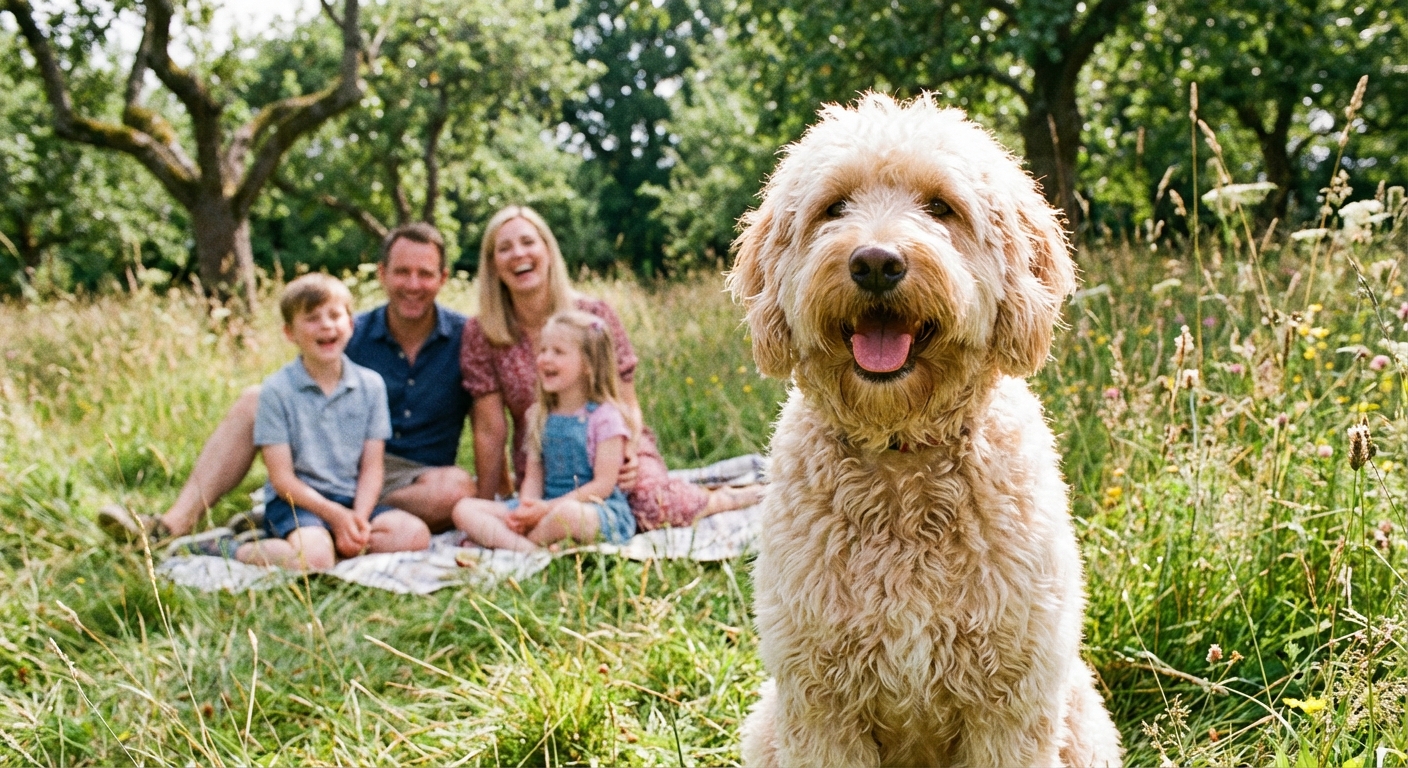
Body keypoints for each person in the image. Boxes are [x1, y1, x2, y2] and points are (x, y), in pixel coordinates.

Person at [99, 223, 474, 547]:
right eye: (401, 271)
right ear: (382, 274)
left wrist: (490, 507)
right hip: (338, 461)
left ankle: (303, 520)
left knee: (458, 489)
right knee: (255, 399)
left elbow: (490, 424)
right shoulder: (348, 331)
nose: (413, 284)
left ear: (442, 278)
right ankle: (170, 526)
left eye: (424, 274)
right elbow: (296, 391)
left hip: (411, 480)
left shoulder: (465, 337)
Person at [460, 205, 761, 531]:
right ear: (492, 264)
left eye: (528, 242)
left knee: (654, 508)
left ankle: (720, 498)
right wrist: (490, 499)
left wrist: (628, 450)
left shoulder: (593, 316)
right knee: (534, 518)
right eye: (504, 248)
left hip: (615, 443)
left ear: (547, 250)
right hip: (547, 460)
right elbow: (490, 431)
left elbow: (626, 402)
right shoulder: (483, 332)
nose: (518, 253)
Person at [183, 274, 430, 569]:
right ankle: (232, 548)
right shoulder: (276, 391)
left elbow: (372, 467)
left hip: (351, 499)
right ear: (290, 333)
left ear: (350, 325)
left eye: (335, 316)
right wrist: (335, 517)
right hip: (298, 502)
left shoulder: (370, 386)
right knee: (313, 559)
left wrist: (358, 519)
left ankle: (320, 540)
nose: (326, 325)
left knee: (414, 535)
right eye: (312, 318)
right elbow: (282, 478)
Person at [453, 310, 636, 551]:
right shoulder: (539, 415)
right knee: (464, 509)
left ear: (588, 366)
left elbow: (602, 486)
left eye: (558, 352)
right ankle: (533, 547)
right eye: (543, 350)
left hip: (592, 508)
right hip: (544, 507)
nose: (545, 359)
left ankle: (517, 544)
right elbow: (533, 478)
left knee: (569, 515)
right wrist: (525, 509)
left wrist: (547, 510)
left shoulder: (606, 417)